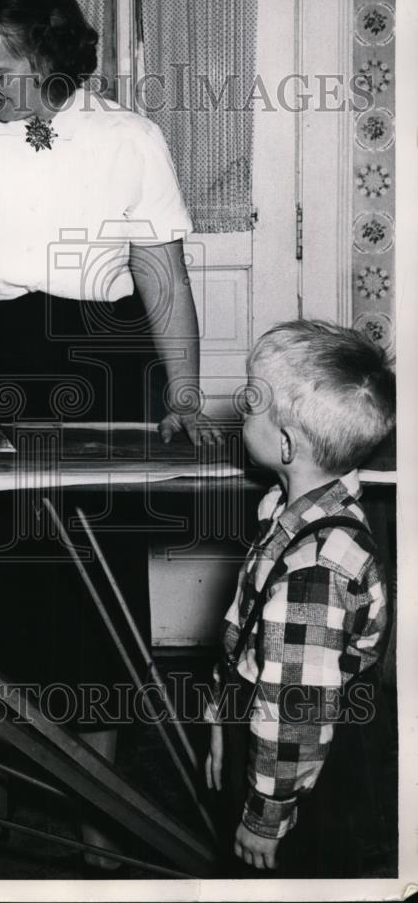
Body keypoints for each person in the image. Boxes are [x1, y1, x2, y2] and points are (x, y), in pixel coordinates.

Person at [0, 0, 220, 878]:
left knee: (93, 611)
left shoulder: (129, 140)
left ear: (51, 49)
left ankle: (99, 813)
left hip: (99, 366)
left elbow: (164, 281)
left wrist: (187, 397)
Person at [204, 320, 395, 877]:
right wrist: (222, 716)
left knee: (298, 877)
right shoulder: (294, 515)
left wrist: (265, 815)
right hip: (273, 741)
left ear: (285, 442)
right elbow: (248, 640)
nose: (239, 408)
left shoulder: (313, 570)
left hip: (308, 770)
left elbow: (295, 710)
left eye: (250, 401)